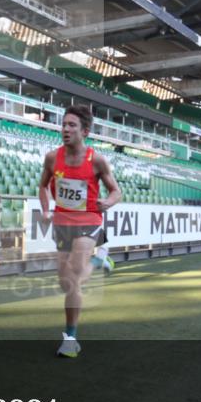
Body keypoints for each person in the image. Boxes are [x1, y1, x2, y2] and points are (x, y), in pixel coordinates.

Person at [38, 104, 122, 358]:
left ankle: (70, 339)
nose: (65, 129)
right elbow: (42, 187)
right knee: (67, 283)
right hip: (63, 220)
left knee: (74, 273)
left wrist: (107, 202)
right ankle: (98, 260)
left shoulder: (97, 160)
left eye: (71, 125)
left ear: (84, 131)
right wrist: (45, 210)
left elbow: (117, 191)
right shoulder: (52, 157)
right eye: (63, 124)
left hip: (89, 219)